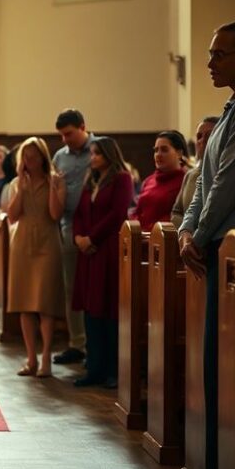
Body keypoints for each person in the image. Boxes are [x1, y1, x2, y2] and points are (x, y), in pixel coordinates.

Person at [179, 20, 235, 469]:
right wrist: (187, 228)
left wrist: (200, 235)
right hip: (215, 248)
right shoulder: (230, 109)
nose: (209, 62)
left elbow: (231, 180)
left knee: (229, 370)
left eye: (219, 54)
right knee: (214, 367)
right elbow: (205, 178)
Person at [71, 137, 133, 388]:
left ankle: (112, 370)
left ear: (109, 154)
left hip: (106, 249)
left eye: (97, 153)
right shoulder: (91, 179)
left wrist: (91, 238)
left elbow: (117, 214)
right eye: (92, 153)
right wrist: (78, 238)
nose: (92, 157)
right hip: (88, 252)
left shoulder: (122, 178)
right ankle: (93, 368)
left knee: (108, 310)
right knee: (90, 311)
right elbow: (78, 213)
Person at [6, 137, 65, 378]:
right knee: (25, 305)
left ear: (43, 157)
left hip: (48, 243)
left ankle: (46, 358)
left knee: (45, 304)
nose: (29, 161)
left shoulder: (57, 181)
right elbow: (11, 216)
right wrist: (21, 185)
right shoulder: (16, 183)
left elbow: (55, 214)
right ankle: (31, 359)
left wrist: (51, 184)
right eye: (25, 157)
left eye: (33, 156)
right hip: (22, 245)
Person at [52, 109, 92, 365]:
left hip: (94, 227)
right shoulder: (59, 156)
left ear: (82, 127)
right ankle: (77, 342)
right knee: (71, 288)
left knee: (95, 287)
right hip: (68, 226)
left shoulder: (99, 149)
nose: (65, 139)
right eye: (61, 136)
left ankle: (95, 343)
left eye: (69, 134)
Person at [131, 130, 189, 232]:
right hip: (140, 239)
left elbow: (180, 216)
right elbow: (137, 211)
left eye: (164, 150)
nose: (158, 154)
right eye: (156, 150)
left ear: (179, 153)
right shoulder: (149, 180)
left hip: (165, 239)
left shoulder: (186, 180)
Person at [171, 117, 219, 227]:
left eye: (209, 135)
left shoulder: (224, 172)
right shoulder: (190, 175)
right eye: (199, 136)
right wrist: (185, 230)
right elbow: (177, 211)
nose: (202, 140)